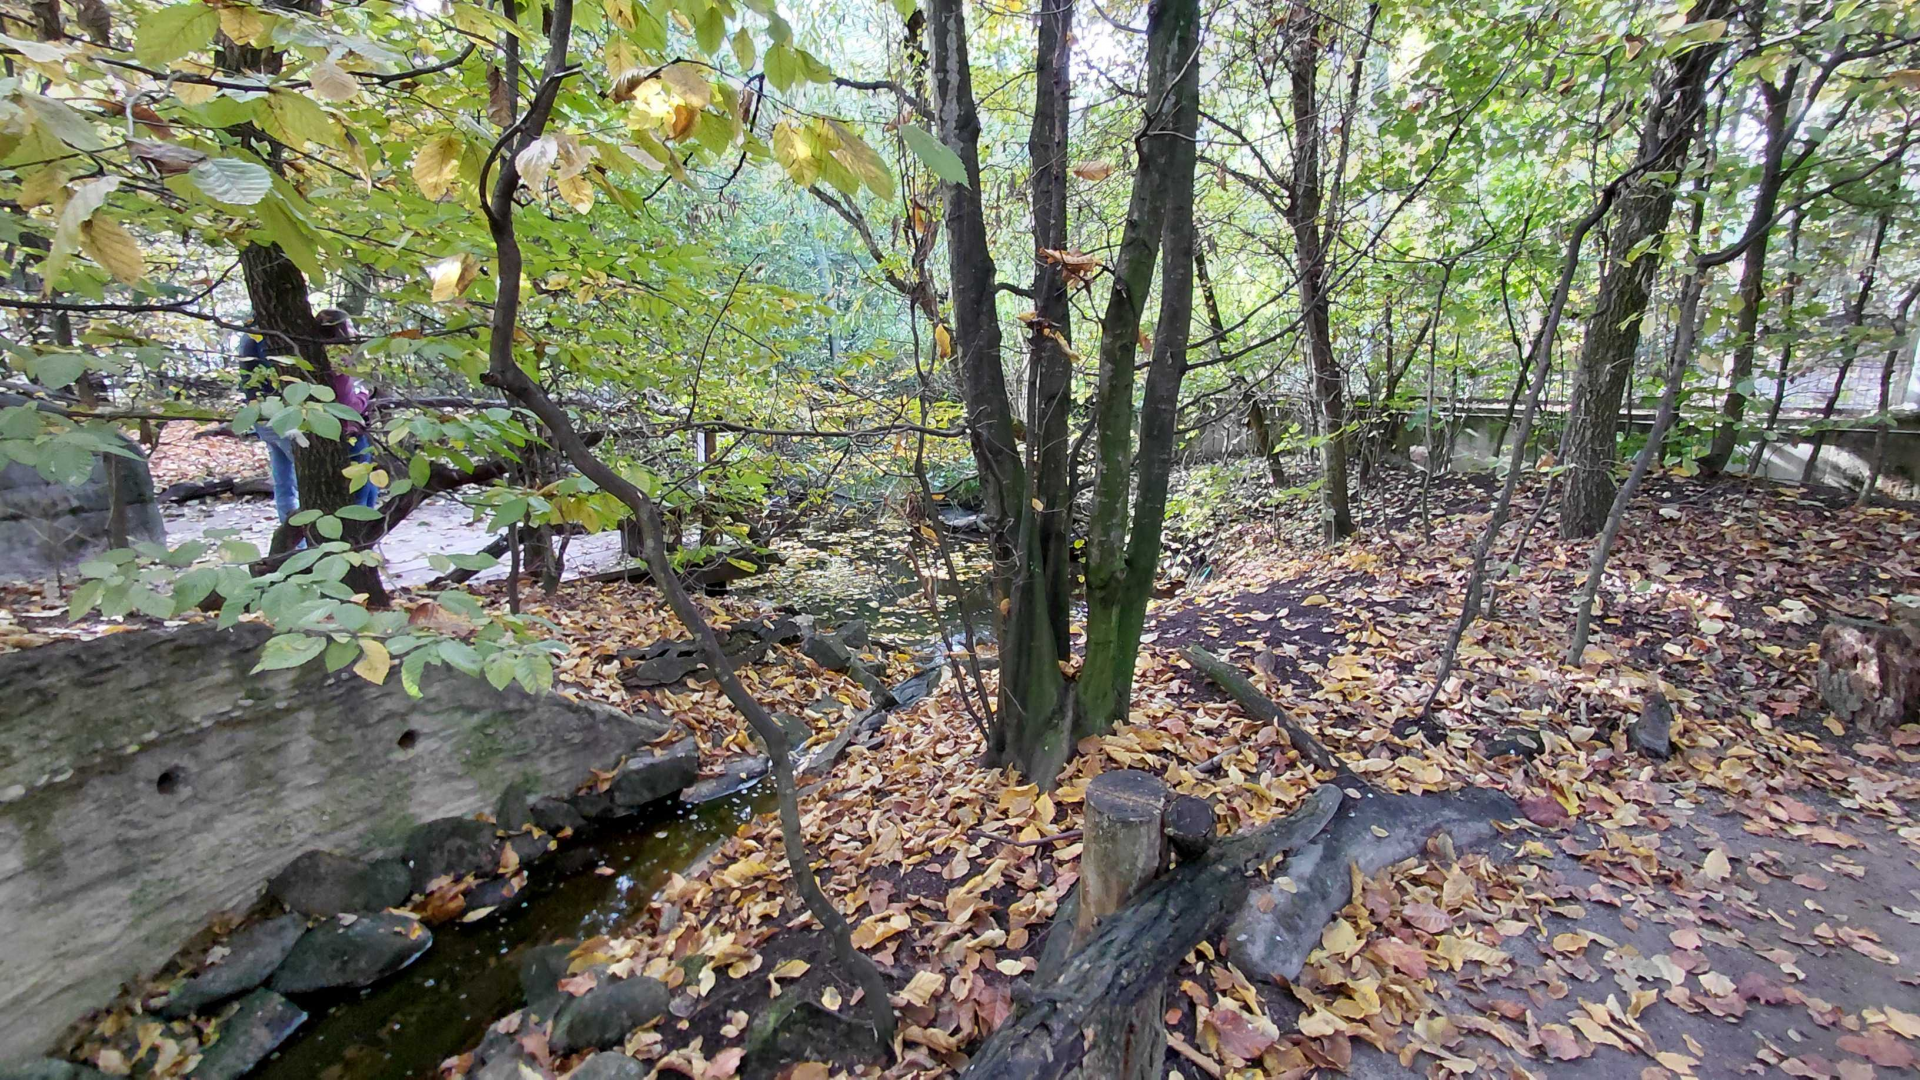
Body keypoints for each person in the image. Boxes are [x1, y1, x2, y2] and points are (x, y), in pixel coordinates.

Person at [316, 308, 381, 509]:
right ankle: (360, 536)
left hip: (350, 430)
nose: (354, 331)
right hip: (348, 432)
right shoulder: (337, 362)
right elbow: (345, 404)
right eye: (350, 326)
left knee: (370, 487)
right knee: (360, 494)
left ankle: (370, 534)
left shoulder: (326, 356)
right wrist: (365, 394)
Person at [236, 319, 300, 523]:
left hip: (260, 414)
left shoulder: (247, 336)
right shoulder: (265, 338)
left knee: (284, 481)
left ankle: (291, 536)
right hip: (279, 415)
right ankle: (305, 536)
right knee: (304, 477)